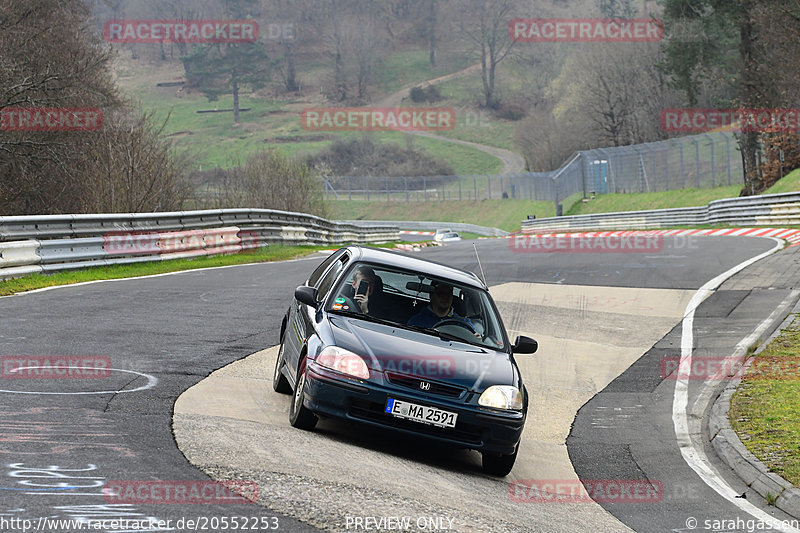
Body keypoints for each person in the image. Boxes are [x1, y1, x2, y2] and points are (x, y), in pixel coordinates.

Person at [408, 281, 474, 331]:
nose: (445, 297)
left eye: (448, 293)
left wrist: (476, 338)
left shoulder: (464, 323)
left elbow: (476, 340)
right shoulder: (417, 321)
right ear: (431, 296)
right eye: (440, 293)